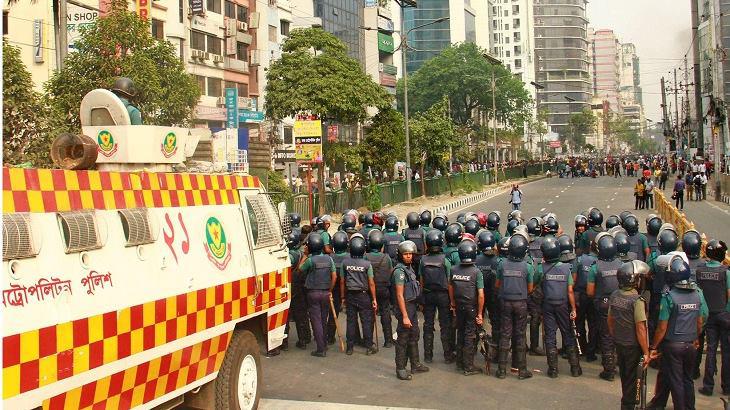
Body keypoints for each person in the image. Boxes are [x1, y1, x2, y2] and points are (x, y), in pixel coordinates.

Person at [647, 256, 708, 410]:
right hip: (691, 344)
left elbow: (662, 327)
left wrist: (654, 347)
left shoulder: (669, 297)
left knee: (676, 381)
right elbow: (700, 321)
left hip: (672, 345)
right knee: (687, 379)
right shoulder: (697, 293)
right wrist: (695, 337)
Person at [609, 260, 651, 410]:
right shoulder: (637, 301)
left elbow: (610, 320)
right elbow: (641, 328)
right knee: (633, 380)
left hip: (620, 343)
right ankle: (628, 406)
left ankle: (625, 403)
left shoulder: (614, 295)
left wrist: (616, 336)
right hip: (633, 346)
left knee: (625, 377)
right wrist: (646, 352)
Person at [539, 236, 581, 378]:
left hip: (548, 305)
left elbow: (535, 285)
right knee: (567, 333)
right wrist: (574, 309)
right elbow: (570, 291)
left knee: (550, 336)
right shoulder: (566, 268)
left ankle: (553, 370)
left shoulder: (541, 268)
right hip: (563, 305)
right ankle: (575, 368)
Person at [494, 232, 535, 379]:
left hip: (505, 302)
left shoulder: (502, 264)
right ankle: (521, 370)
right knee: (520, 336)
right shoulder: (527, 267)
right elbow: (530, 288)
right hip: (521, 303)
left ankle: (501, 370)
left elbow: (497, 285)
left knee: (505, 334)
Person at [587, 233, 624, 381]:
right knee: (620, 336)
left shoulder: (595, 268)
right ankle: (623, 365)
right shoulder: (621, 265)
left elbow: (590, 291)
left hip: (603, 305)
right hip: (620, 303)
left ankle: (609, 370)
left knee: (606, 337)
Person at [696, 239, 730, 396]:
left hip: (708, 316)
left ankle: (708, 386)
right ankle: (727, 386)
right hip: (724, 314)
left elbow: (698, 293)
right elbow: (728, 294)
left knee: (710, 350)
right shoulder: (726, 272)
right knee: (726, 351)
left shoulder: (700, 271)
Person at [392, 241, 429, 380]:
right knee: (403, 338)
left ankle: (415, 364)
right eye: (406, 254)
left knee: (414, 334)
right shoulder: (399, 272)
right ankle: (400, 368)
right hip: (405, 307)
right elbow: (400, 295)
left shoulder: (409, 269)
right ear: (401, 255)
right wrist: (405, 316)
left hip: (412, 306)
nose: (408, 256)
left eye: (410, 254)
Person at [448, 239, 486, 375]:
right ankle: (468, 366)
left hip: (458, 306)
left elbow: (450, 287)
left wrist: (452, 303)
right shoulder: (476, 272)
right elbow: (481, 295)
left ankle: (459, 363)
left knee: (460, 332)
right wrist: (480, 314)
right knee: (470, 335)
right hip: (471, 307)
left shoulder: (453, 269)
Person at [419, 229, 455, 364]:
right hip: (443, 295)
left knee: (428, 325)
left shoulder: (423, 260)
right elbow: (450, 282)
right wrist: (452, 301)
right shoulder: (445, 261)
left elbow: (421, 280)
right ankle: (448, 355)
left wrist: (422, 297)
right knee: (445, 325)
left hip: (428, 294)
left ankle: (428, 356)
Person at [339, 234, 378, 356]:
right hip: (364, 295)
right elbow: (371, 282)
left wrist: (342, 297)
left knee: (351, 321)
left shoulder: (345, 263)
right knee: (366, 321)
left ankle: (350, 347)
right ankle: (368, 346)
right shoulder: (367, 264)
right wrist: (374, 299)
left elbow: (342, 281)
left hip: (350, 295)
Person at [302, 234, 337, 357]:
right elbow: (334, 276)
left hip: (313, 293)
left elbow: (300, 270)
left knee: (316, 321)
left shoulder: (311, 260)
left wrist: (305, 255)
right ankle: (324, 343)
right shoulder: (329, 259)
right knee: (323, 319)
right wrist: (330, 289)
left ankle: (321, 349)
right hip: (325, 292)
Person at [365, 230, 395, 349]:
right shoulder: (386, 258)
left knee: (369, 315)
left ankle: (369, 342)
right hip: (384, 289)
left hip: (369, 290)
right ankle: (388, 340)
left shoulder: (365, 256)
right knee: (385, 312)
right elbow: (391, 272)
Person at [284, 232, 311, 350]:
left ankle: (284, 343)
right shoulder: (301, 254)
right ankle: (304, 339)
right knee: (301, 315)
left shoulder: (289, 255)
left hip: (288, 286)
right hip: (299, 287)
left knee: (285, 317)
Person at [476, 231, 501, 345]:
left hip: (478, 294)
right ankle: (496, 346)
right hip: (494, 296)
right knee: (496, 321)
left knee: (477, 319)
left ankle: (474, 345)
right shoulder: (498, 261)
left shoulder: (476, 260)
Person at [327, 231, 350, 346]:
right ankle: (353, 338)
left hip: (334, 288)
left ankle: (329, 336)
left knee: (333, 313)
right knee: (352, 315)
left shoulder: (330, 257)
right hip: (349, 288)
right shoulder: (350, 257)